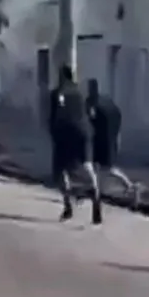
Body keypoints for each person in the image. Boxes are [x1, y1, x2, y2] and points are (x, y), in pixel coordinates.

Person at [49, 65, 102, 224]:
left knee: (60, 170)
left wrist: (53, 134)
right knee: (87, 164)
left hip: (65, 133)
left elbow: (53, 117)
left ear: (62, 76)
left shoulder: (56, 93)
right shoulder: (81, 92)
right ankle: (96, 195)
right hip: (84, 131)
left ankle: (68, 205)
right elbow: (90, 112)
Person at [86, 78, 141, 210]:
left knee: (106, 168)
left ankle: (131, 186)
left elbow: (90, 118)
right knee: (98, 166)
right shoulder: (107, 101)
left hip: (101, 140)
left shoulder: (91, 102)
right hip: (109, 138)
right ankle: (98, 191)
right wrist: (117, 135)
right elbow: (117, 117)